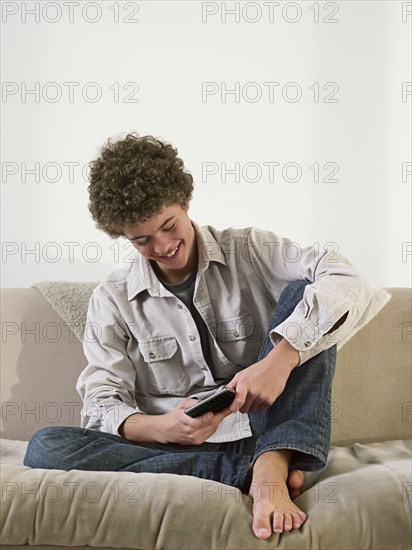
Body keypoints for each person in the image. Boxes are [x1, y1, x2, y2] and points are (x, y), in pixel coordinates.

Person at [24, 133, 390, 540]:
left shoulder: (249, 249)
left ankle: (272, 462)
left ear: (185, 203)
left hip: (268, 429)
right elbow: (100, 404)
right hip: (173, 449)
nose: (163, 246)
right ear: (123, 236)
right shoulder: (111, 299)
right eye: (142, 240)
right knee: (46, 446)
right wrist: (163, 428)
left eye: (168, 225)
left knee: (308, 298)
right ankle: (247, 473)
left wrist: (279, 360)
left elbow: (345, 280)